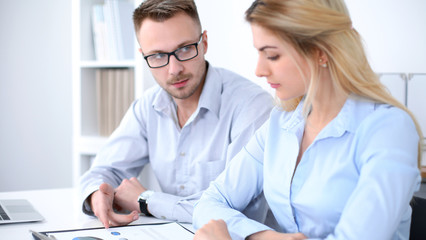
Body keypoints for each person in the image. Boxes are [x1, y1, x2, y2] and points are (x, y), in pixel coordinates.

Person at [192, 0, 424, 239]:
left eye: (272, 55)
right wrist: (263, 236)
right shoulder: (280, 123)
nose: (259, 70)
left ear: (320, 52)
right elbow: (210, 202)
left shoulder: (388, 130)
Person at [79, 0, 274, 228]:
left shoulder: (252, 106)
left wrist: (146, 200)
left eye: (184, 49)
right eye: (158, 56)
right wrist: (97, 194)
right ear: (144, 57)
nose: (174, 69)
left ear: (204, 43)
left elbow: (232, 209)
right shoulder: (148, 106)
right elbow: (106, 170)